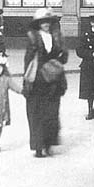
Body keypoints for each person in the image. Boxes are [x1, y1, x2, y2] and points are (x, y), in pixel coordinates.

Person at [23, 9, 68, 158]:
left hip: (54, 80)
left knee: (51, 113)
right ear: (38, 24)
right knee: (36, 113)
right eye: (42, 22)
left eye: (48, 21)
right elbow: (28, 60)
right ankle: (38, 146)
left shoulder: (56, 38)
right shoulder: (33, 38)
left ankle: (48, 144)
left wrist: (61, 56)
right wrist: (26, 81)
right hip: (37, 80)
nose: (46, 24)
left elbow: (63, 58)